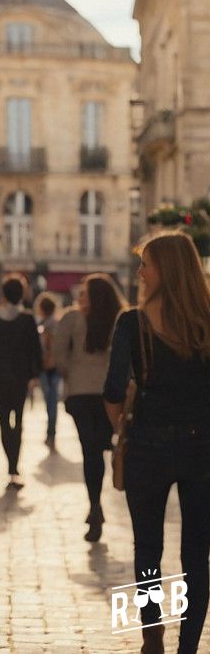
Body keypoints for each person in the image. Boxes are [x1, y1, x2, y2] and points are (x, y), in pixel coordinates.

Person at [105, 231, 210, 654]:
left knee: (147, 546)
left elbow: (113, 391)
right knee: (196, 554)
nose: (140, 272)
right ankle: (189, 646)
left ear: (164, 269)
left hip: (148, 446)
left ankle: (153, 636)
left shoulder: (133, 323)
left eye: (146, 263)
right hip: (203, 448)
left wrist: (123, 428)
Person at [54, 273, 124, 543]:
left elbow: (59, 357)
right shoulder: (120, 318)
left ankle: (95, 506)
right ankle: (103, 503)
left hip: (81, 393)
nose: (80, 297)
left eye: (83, 293)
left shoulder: (71, 319)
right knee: (108, 446)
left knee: (90, 451)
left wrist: (72, 371)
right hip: (111, 395)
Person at [0, 274, 43, 490]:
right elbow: (35, 350)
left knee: (3, 420)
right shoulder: (27, 320)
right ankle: (13, 465)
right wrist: (35, 375)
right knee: (18, 420)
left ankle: (11, 463)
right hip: (20, 378)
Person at [37, 293, 61, 449]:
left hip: (48, 367)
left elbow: (48, 345)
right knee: (52, 402)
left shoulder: (47, 325)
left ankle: (51, 433)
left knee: (50, 402)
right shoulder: (56, 323)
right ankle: (51, 432)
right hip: (55, 366)